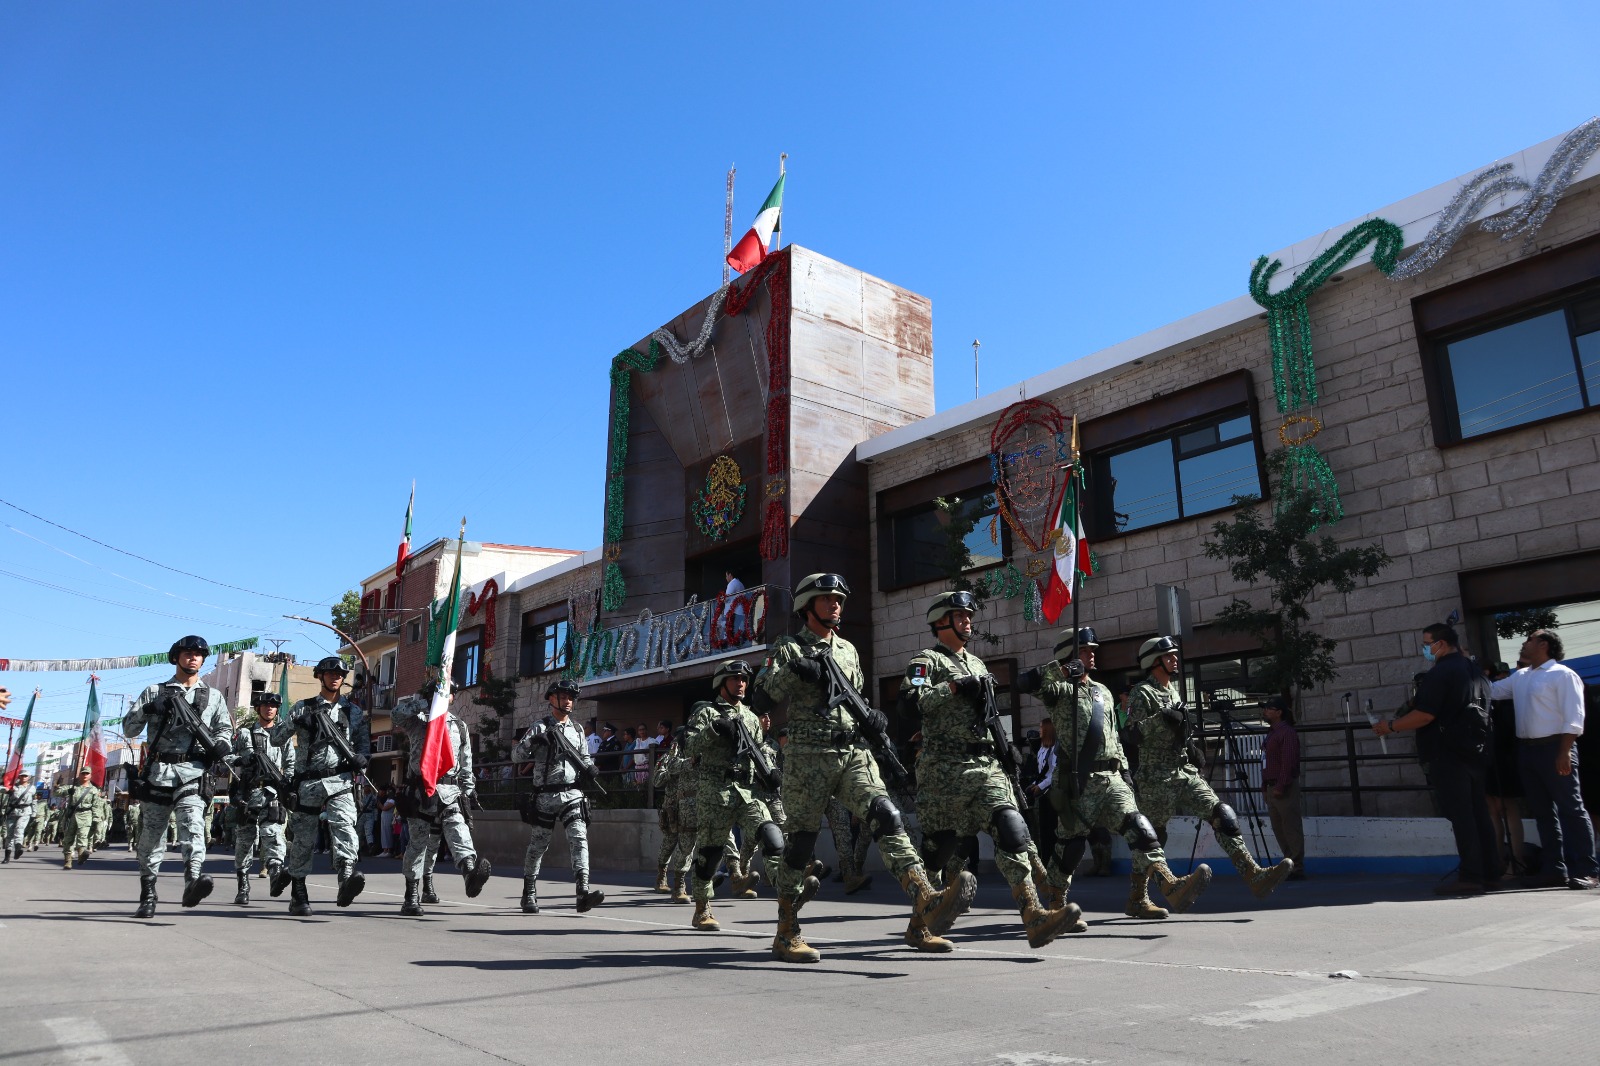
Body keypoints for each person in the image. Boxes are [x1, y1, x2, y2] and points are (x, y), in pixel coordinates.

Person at [754, 573, 972, 963]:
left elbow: (854, 697)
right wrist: (796, 670)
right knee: (800, 845)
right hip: (807, 756)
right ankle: (786, 930)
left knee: (888, 817)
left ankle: (925, 902)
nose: (835, 604)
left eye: (839, 598)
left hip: (853, 751)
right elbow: (761, 696)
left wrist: (874, 720)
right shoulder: (788, 648)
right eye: (826, 599)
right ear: (807, 607)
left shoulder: (849, 650)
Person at [901, 591, 1081, 951]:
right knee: (939, 850)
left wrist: (1007, 748)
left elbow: (988, 717)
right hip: (943, 769)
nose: (968, 620)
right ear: (941, 622)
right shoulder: (927, 661)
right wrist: (952, 686)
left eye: (969, 615)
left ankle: (1033, 915)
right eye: (959, 615)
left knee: (1011, 827)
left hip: (985, 766)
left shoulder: (979, 665)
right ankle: (919, 925)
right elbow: (910, 703)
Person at [1021, 627, 1209, 921]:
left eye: (1092, 650)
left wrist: (1124, 771)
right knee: (1070, 847)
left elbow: (1113, 736)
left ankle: (1169, 886)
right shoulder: (1058, 689)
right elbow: (1026, 682)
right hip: (1078, 780)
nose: (1092, 654)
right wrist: (1059, 670)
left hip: (1111, 778)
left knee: (1141, 828)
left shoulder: (1103, 692)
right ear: (1068, 656)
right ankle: (1056, 904)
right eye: (1085, 650)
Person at [1128, 635, 1291, 909]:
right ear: (1153, 662)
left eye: (1174, 655)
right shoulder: (1141, 692)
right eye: (1169, 656)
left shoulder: (1174, 691)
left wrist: (1190, 746)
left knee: (1222, 814)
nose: (1175, 659)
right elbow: (1132, 734)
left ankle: (1253, 875)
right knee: (1151, 838)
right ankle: (1137, 897)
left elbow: (1178, 728)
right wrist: (1161, 719)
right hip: (1155, 777)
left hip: (1184, 771)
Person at [1375, 623, 1500, 894]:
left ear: (1440, 644)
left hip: (1448, 754)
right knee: (1479, 814)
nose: (1425, 649)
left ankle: (1471, 875)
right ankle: (1491, 872)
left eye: (1427, 643)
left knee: (1461, 816)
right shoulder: (1475, 671)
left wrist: (1391, 726)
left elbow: (1425, 714)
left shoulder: (1441, 672)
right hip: (1475, 752)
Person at [122, 635, 234, 916]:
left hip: (193, 773)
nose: (193, 658)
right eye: (187, 653)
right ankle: (148, 893)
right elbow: (129, 729)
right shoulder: (154, 691)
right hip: (159, 772)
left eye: (198, 654)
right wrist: (149, 709)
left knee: (193, 824)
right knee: (152, 836)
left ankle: (192, 881)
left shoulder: (214, 696)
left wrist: (222, 743)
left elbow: (225, 730)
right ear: (176, 657)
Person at [684, 659, 791, 931]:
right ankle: (702, 908)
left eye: (744, 679)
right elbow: (690, 747)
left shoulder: (752, 717)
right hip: (715, 791)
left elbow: (758, 750)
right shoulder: (706, 713)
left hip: (748, 790)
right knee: (710, 852)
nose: (742, 684)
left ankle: (788, 892)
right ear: (722, 682)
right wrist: (714, 729)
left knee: (772, 834)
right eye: (735, 679)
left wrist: (771, 772)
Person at [1489, 629, 1597, 890]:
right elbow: (1490, 691)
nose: (1523, 644)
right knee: (1542, 812)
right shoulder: (1521, 677)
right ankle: (1554, 869)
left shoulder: (1563, 674)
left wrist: (1564, 752)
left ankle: (1588, 870)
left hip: (1555, 748)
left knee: (1571, 809)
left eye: (1529, 639)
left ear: (1544, 644)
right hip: (1527, 750)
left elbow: (1574, 717)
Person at [391, 680, 492, 916]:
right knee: (418, 843)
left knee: (458, 828)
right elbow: (396, 715)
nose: (443, 697)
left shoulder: (459, 726)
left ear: (453, 697)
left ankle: (469, 871)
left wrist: (468, 790)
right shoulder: (418, 722)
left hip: (449, 790)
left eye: (446, 694)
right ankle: (411, 895)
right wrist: (427, 702)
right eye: (438, 693)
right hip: (421, 790)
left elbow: (465, 762)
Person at [284, 656, 372, 916]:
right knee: (303, 839)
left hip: (340, 780)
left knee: (345, 826)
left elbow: (365, 747)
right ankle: (298, 892)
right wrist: (296, 722)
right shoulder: (303, 707)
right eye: (330, 673)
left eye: (340, 674)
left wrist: (362, 759)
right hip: (308, 781)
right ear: (320, 676)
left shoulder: (352, 711)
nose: (336, 677)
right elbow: (278, 737)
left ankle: (346, 877)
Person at [513, 679, 604, 915]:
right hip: (545, 795)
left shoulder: (577, 729)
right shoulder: (540, 727)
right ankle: (529, 892)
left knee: (579, 837)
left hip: (572, 793)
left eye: (571, 697)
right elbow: (516, 756)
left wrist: (590, 767)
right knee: (538, 845)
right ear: (552, 699)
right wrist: (534, 741)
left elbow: (584, 756)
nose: (569, 701)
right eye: (564, 697)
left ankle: (582, 892)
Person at [227, 691, 295, 905]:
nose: (270, 709)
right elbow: (227, 757)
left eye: (274, 706)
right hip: (248, 793)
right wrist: (243, 759)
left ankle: (275, 873)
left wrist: (288, 785)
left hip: (272, 793)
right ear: (258, 709)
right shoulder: (245, 734)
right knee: (245, 841)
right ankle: (243, 886)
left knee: (274, 833)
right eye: (265, 705)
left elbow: (291, 764)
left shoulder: (282, 735)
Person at [1261, 695, 1306, 880]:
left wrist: (1280, 785)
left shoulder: (1286, 733)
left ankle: (1296, 865)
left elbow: (1288, 762)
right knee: (1279, 827)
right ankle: (1289, 862)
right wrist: (1265, 786)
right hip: (1272, 786)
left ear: (1279, 712)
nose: (1265, 711)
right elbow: (1266, 761)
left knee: (1290, 826)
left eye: (1269, 709)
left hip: (1283, 786)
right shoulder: (1272, 732)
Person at [651, 727, 695, 900]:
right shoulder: (669, 759)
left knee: (687, 845)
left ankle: (680, 885)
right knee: (669, 843)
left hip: (690, 808)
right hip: (672, 807)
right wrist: (672, 769)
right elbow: (656, 781)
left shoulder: (693, 758)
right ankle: (661, 876)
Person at [58, 768, 101, 869]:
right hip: (71, 815)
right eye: (83, 773)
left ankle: (81, 855)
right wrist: (68, 791)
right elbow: (57, 792)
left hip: (86, 815)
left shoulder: (93, 790)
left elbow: (96, 806)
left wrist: (96, 819)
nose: (85, 775)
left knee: (82, 836)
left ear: (90, 775)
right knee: (68, 838)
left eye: (87, 773)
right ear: (79, 775)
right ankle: (68, 861)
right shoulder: (73, 787)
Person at [3, 772, 35, 862]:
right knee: (10, 834)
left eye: (25, 776)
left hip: (25, 811)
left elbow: (34, 801)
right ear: (19, 776)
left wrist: (33, 814)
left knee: (19, 829)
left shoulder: (32, 788)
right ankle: (7, 856)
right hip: (12, 811)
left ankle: (18, 849)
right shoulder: (13, 786)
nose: (24, 777)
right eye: (22, 775)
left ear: (28, 777)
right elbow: (3, 790)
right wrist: (6, 788)